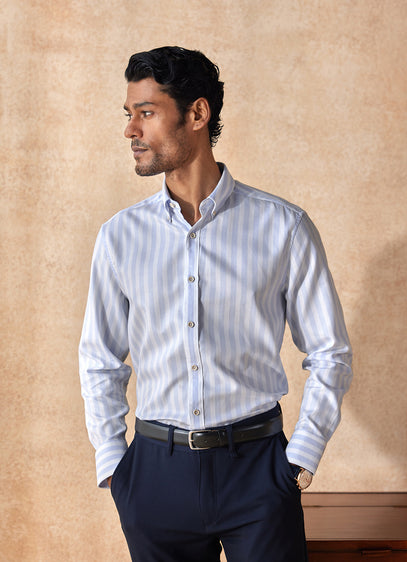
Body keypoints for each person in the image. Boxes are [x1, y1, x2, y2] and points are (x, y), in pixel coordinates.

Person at [79, 46, 352, 562]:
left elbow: (330, 352)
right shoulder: (119, 237)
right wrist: (114, 462)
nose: (130, 130)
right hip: (154, 477)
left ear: (197, 114)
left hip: (259, 472)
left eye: (146, 112)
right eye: (129, 114)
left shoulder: (283, 227)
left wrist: (302, 455)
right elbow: (100, 358)